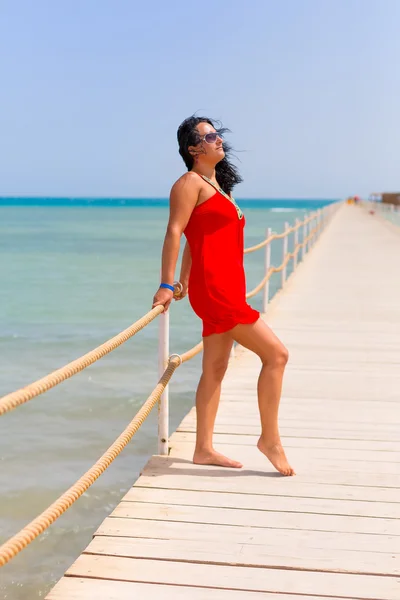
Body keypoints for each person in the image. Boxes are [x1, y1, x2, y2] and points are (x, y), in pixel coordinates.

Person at [152, 116, 294, 476]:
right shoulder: (188, 184)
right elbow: (174, 231)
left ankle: (203, 449)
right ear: (193, 148)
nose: (219, 140)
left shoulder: (217, 186)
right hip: (216, 291)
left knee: (215, 367)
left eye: (218, 134)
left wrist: (184, 279)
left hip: (225, 286)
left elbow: (195, 240)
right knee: (277, 355)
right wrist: (167, 285)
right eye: (210, 136)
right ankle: (270, 440)